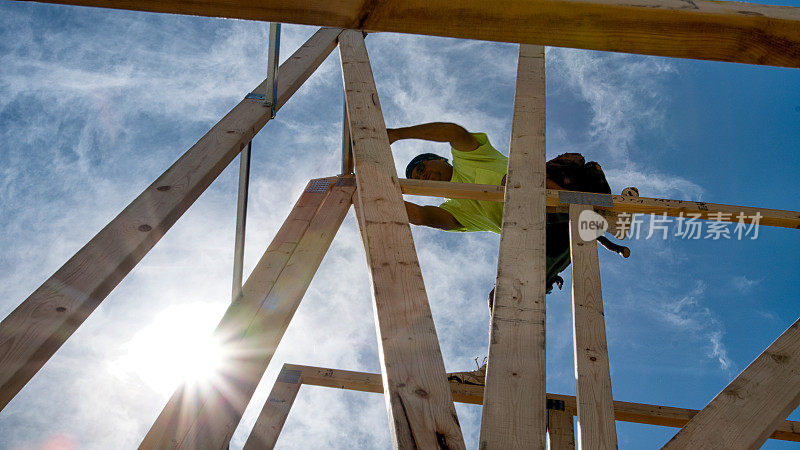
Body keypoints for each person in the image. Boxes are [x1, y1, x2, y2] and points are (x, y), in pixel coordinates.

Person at [387, 122, 575, 299]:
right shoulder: (454, 208)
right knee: (500, 297)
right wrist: (375, 191)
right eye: (418, 179)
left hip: (558, 195)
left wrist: (396, 134)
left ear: (440, 159)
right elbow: (421, 215)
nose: (422, 175)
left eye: (421, 167)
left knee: (512, 184)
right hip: (546, 236)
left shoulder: (468, 158)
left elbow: (454, 133)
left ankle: (569, 204)